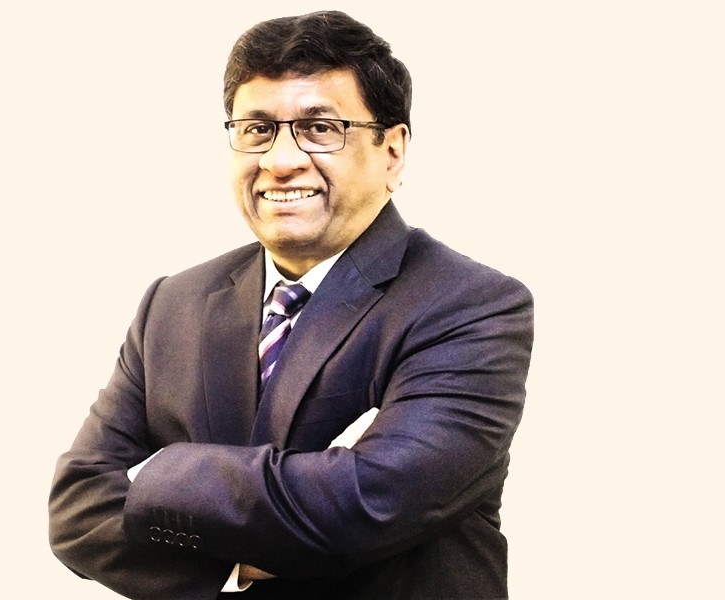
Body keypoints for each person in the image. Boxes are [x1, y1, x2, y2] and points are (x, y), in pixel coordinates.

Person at [49, 10, 534, 600]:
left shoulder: (471, 305)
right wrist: (261, 538)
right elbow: (76, 509)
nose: (280, 161)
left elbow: (366, 505)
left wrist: (159, 473)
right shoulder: (172, 304)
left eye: (320, 128)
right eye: (257, 129)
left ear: (392, 151)